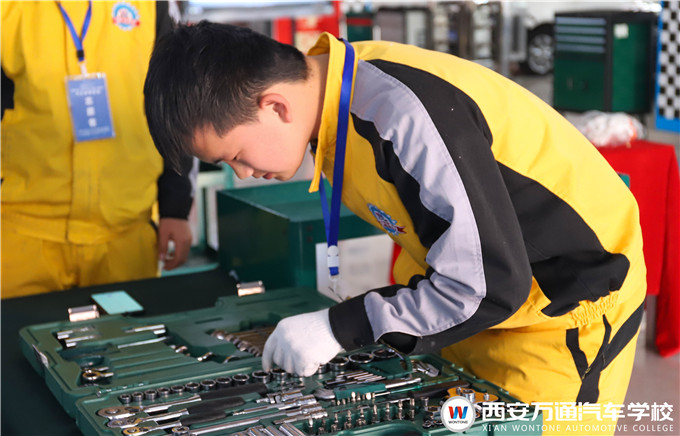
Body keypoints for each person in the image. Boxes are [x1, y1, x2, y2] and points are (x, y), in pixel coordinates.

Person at [144, 22, 646, 435]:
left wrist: (341, 327)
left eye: (235, 155)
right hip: (474, 300)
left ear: (275, 106)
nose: (242, 174)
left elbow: (490, 285)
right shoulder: (333, 97)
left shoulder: (400, 116)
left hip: (564, 310)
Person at [1, 1, 193, 298]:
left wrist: (175, 209)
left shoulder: (151, 4)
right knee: (19, 329)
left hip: (126, 232)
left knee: (126, 328)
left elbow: (177, 102)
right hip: (20, 232)